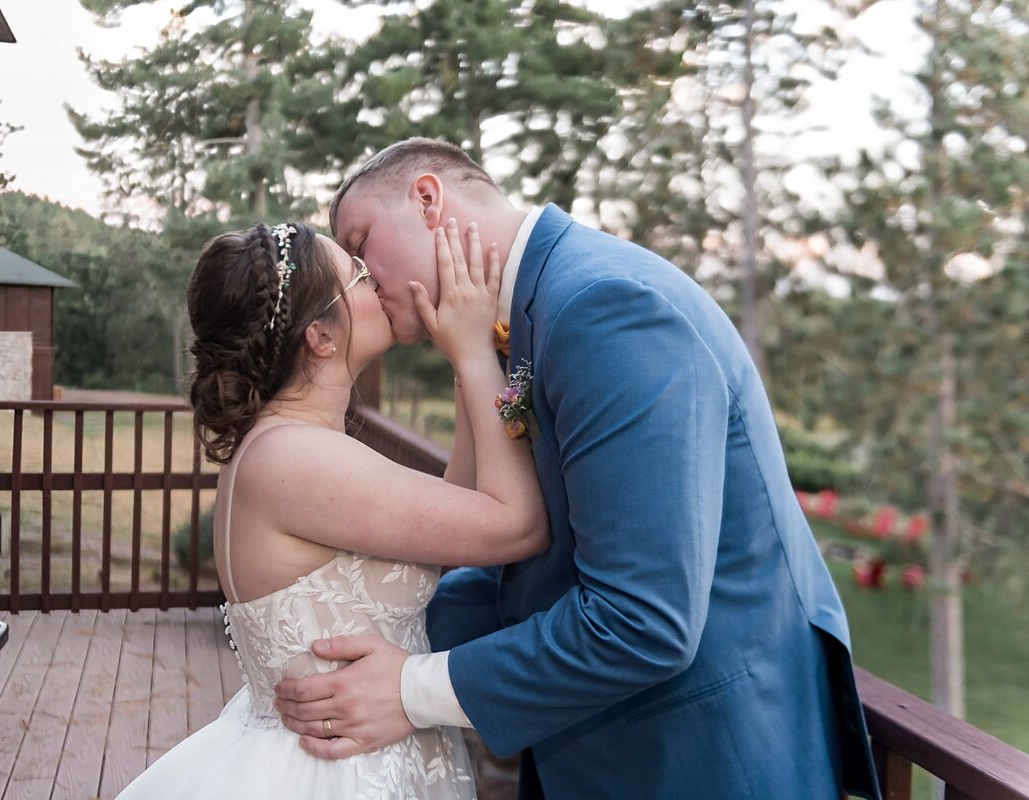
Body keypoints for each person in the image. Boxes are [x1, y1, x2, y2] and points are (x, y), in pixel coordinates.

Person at [274, 138, 883, 800]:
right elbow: (544, 563)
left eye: (361, 246)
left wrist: (411, 689)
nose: (361, 277)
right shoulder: (529, 318)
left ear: (428, 198)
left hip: (699, 760)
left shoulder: (603, 307)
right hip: (606, 748)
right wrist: (375, 629)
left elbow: (640, 618)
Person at [115, 219, 548, 800]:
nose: (379, 282)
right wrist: (475, 353)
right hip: (332, 773)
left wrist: (465, 363)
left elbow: (459, 513)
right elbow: (515, 525)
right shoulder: (295, 458)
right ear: (319, 335)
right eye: (362, 278)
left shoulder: (295, 447)